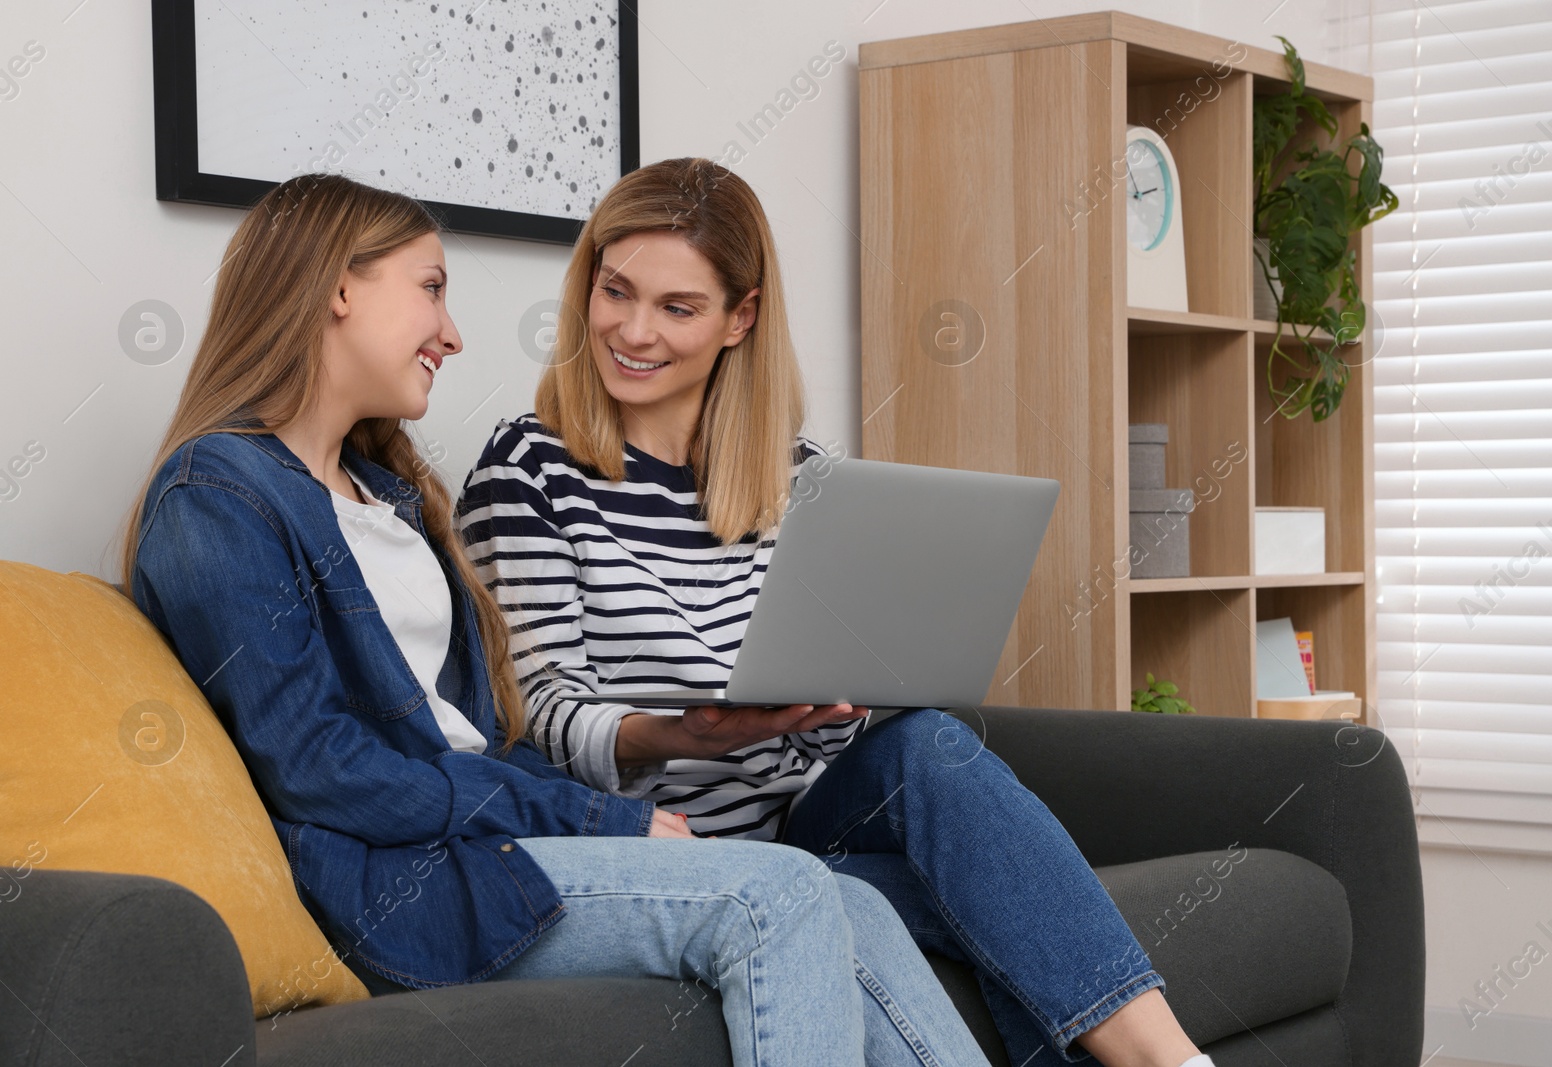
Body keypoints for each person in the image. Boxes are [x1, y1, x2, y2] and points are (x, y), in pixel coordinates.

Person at [121, 172, 996, 1067]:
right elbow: (321, 770)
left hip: (484, 841)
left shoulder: (381, 493)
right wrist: (597, 818)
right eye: (431, 288)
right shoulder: (219, 496)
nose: (453, 332)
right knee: (777, 897)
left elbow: (480, 731)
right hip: (404, 882)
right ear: (340, 287)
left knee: (847, 896)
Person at [457, 157, 1218, 1067]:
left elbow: (808, 742)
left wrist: (830, 713)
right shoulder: (529, 470)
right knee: (976, 913)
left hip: (795, 832)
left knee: (927, 743)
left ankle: (1173, 1060)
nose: (632, 329)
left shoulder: (800, 473)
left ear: (742, 318)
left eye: (677, 307)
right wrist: (677, 734)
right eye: (614, 291)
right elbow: (531, 716)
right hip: (651, 856)